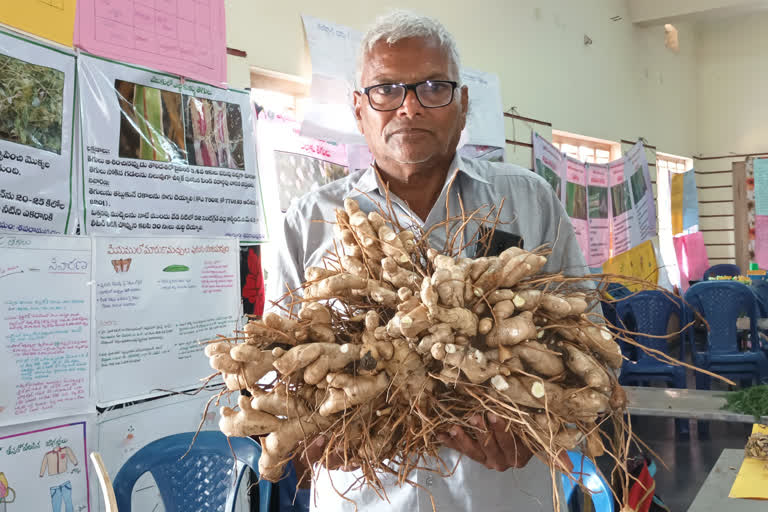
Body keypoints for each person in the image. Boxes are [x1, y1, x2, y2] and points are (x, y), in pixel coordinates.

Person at [269, 9, 587, 512]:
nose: (409, 108)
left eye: (433, 87)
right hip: (363, 499)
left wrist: (543, 421)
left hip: (502, 496)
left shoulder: (528, 199)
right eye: (386, 89)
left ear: (462, 104)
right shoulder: (309, 220)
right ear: (358, 108)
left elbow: (586, 338)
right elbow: (275, 364)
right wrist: (304, 430)